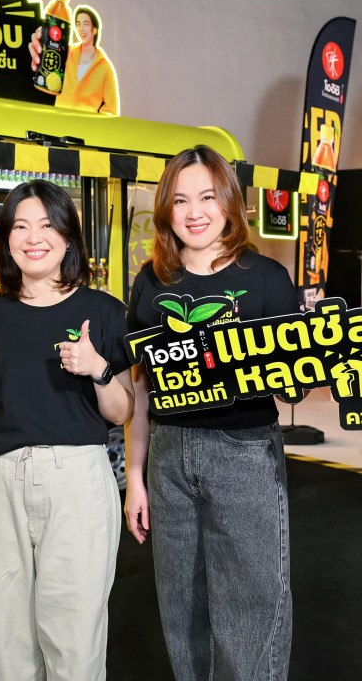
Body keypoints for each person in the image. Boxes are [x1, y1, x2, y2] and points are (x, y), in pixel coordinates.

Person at [0, 179, 133, 680]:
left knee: (74, 639)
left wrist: (98, 369)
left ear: (68, 237)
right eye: (21, 226)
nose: (34, 237)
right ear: (5, 239)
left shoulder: (104, 311)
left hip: (77, 481)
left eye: (48, 225)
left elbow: (121, 411)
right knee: (9, 640)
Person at [123, 145, 295, 681]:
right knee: (181, 606)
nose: (194, 212)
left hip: (244, 452)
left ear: (230, 202)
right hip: (168, 454)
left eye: (207, 197)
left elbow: (295, 386)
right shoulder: (151, 282)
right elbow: (140, 387)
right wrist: (134, 476)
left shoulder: (266, 278)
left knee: (252, 604)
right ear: (166, 210)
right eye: (180, 200)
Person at [29, 6, 120, 115]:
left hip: (84, 124)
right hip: (56, 120)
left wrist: (91, 123)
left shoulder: (105, 67)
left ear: (95, 30)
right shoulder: (66, 53)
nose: (81, 29)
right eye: (78, 24)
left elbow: (111, 111)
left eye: (86, 24)